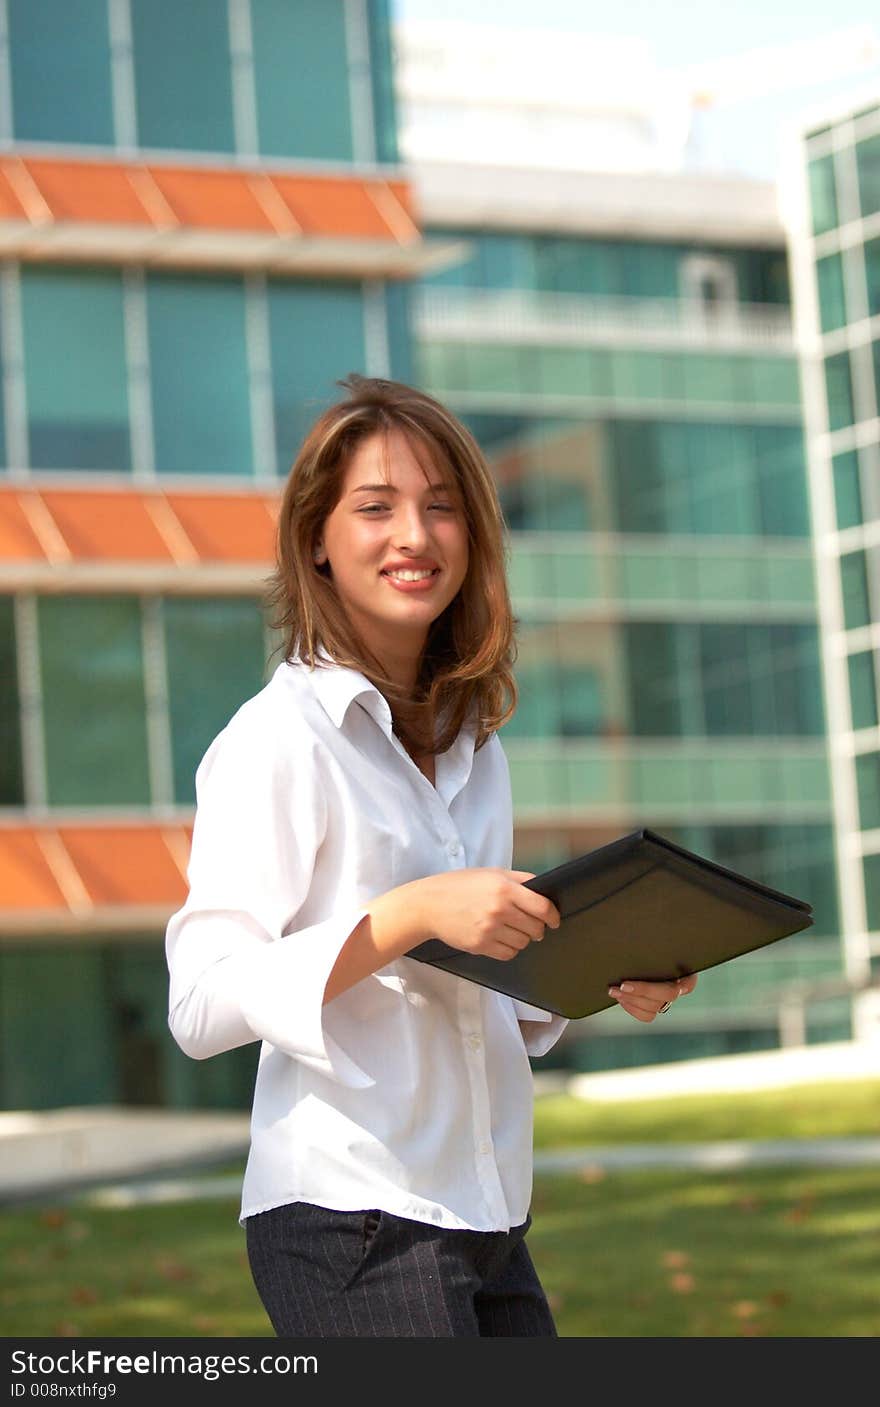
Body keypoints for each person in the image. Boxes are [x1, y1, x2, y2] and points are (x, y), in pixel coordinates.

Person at [164, 374, 696, 1338]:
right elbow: (201, 1004)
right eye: (376, 507)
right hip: (351, 1218)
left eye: (442, 507)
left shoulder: (474, 746)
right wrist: (410, 914)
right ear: (317, 541)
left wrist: (601, 964)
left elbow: (467, 972)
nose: (414, 534)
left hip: (487, 1212)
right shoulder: (278, 738)